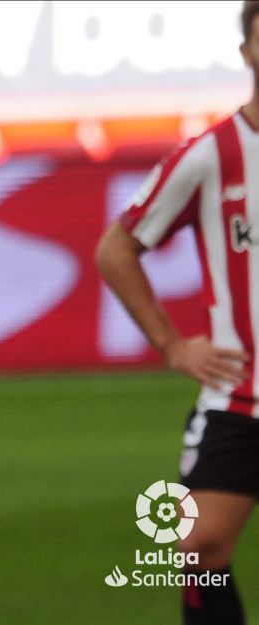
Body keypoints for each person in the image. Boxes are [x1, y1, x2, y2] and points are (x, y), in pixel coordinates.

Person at [96, 3, 259, 623]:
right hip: (240, 398)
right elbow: (117, 249)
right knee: (197, 549)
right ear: (246, 50)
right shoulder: (213, 154)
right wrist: (171, 345)